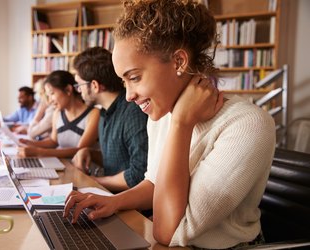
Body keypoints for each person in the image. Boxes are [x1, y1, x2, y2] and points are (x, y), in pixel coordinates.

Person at [64, 0, 276, 249]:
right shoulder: (162, 113)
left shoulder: (246, 125)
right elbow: (154, 184)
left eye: (134, 77)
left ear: (179, 61)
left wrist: (181, 124)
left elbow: (169, 230)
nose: (129, 95)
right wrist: (114, 201)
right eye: (124, 82)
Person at [71, 47, 148, 192]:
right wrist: (90, 153)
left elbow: (139, 174)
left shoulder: (133, 112)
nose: (78, 91)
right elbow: (119, 158)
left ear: (94, 85)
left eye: (79, 85)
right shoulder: (104, 112)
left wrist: (95, 182)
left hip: (131, 207)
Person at [18, 70, 99, 159]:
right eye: (48, 95)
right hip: (63, 165)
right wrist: (30, 144)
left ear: (68, 90)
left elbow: (79, 150)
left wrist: (40, 152)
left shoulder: (94, 114)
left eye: (52, 93)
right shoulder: (57, 113)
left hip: (82, 170)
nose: (50, 100)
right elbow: (53, 141)